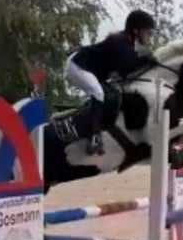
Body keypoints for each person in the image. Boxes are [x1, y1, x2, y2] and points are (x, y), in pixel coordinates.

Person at [65, 10, 158, 155]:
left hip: (90, 69)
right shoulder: (121, 42)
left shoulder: (128, 42)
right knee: (98, 93)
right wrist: (146, 60)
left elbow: (128, 69)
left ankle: (97, 127)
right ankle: (94, 136)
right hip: (78, 65)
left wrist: (145, 61)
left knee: (111, 96)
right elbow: (126, 70)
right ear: (135, 30)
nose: (149, 36)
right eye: (147, 31)